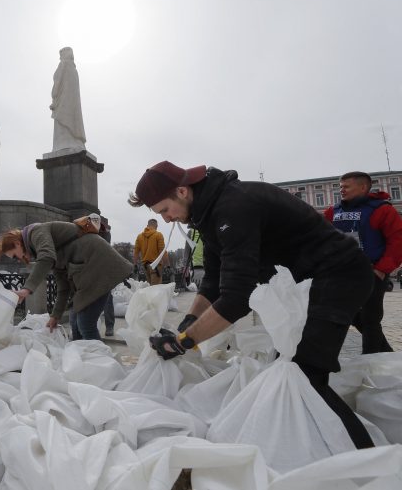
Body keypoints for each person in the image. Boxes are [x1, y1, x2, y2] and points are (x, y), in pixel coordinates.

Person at [130, 160, 375, 450]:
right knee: (287, 372)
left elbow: (236, 297)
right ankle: (307, 447)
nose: (167, 219)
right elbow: (212, 280)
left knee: (305, 377)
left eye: (164, 211)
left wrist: (185, 341)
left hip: (338, 276)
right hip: (311, 284)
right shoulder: (207, 215)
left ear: (182, 191)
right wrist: (187, 322)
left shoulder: (233, 206)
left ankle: (370, 461)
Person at [0, 219, 132, 340]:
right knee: (75, 320)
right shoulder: (48, 251)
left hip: (98, 264)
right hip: (89, 271)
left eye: (14, 255)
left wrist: (27, 289)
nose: (18, 260)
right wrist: (55, 316)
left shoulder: (36, 232)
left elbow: (47, 257)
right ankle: (81, 361)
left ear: (17, 244)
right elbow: (63, 288)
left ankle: (100, 363)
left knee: (85, 323)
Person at [324, 171, 402, 353]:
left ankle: (372, 361)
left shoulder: (382, 210)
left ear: (363, 187)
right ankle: (386, 353)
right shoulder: (333, 211)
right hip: (342, 273)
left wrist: (382, 270)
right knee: (347, 313)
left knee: (370, 319)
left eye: (346, 186)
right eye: (340, 186)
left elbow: (397, 241)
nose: (341, 190)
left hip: (372, 271)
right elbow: (322, 236)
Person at [50, 47, 87, 154]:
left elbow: (57, 83)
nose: (60, 58)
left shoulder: (63, 65)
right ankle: (75, 141)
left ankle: (65, 143)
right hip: (72, 106)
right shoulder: (74, 70)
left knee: (63, 125)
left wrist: (54, 97)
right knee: (73, 121)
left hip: (63, 104)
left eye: (61, 55)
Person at [133, 219, 166, 285]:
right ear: (156, 226)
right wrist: (168, 265)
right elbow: (162, 251)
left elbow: (136, 252)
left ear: (147, 226)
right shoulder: (158, 235)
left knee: (150, 288)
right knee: (156, 289)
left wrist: (135, 265)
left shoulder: (139, 237)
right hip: (156, 266)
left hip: (145, 266)